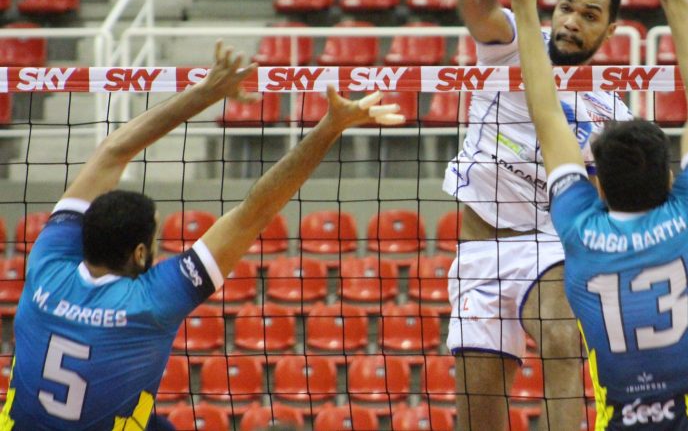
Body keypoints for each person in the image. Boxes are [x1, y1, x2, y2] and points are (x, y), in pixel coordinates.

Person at [0, 43, 401, 430]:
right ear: (140, 252)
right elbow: (252, 214)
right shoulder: (151, 302)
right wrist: (330, 127)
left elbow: (111, 152)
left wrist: (206, 92)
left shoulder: (46, 263)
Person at [470, 0, 688, 430]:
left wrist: (524, 3)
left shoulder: (581, 233)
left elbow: (545, 113)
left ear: (598, 185)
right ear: (675, 179)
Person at [443, 0, 632, 430]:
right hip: (480, 255)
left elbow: (624, 203)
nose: (572, 21)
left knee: (560, 339)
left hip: (552, 247)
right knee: (477, 420)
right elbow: (483, 10)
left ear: (610, 31)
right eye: (566, 8)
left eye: (590, 16)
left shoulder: (612, 115)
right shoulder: (509, 45)